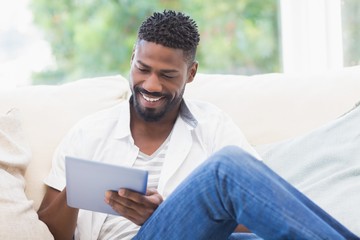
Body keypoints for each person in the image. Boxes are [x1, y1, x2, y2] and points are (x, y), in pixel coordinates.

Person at [38, 10, 359, 240]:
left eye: (167, 75)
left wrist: (170, 214)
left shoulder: (213, 125)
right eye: (142, 68)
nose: (151, 84)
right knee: (226, 169)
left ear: (191, 73)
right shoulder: (89, 133)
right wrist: (78, 190)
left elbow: (260, 209)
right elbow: (50, 230)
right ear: (132, 58)